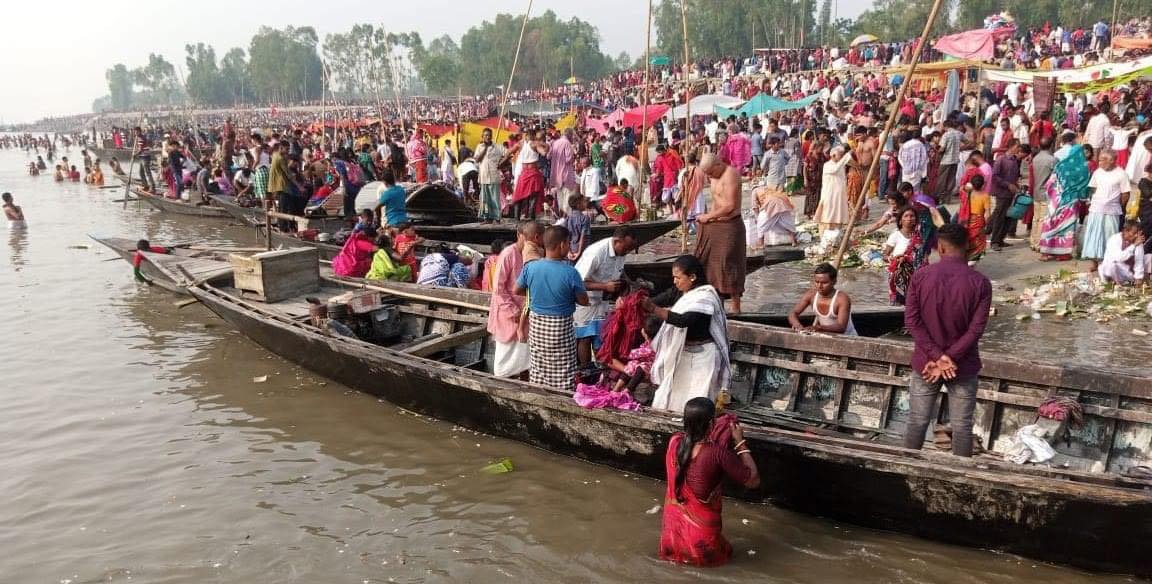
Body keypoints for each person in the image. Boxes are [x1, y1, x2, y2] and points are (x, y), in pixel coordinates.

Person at [903, 223, 992, 457]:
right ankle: (961, 474)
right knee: (962, 426)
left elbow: (912, 322)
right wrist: (948, 357)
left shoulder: (921, 276)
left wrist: (938, 357)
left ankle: (906, 465)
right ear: (968, 247)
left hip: (927, 364)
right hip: (961, 365)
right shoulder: (980, 282)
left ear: (940, 249)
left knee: (917, 421)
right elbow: (976, 330)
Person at [659, 397, 759, 567]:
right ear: (711, 423)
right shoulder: (717, 454)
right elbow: (753, 480)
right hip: (702, 548)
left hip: (671, 540)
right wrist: (740, 443)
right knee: (728, 556)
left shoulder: (674, 442)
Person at [645, 255, 730, 412]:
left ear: (692, 277)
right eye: (674, 278)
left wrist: (653, 309)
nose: (675, 281)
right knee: (675, 393)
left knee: (700, 394)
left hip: (704, 355)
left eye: (678, 277)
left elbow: (684, 320)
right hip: (683, 352)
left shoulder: (706, 296)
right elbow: (658, 299)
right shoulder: (680, 292)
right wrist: (638, 300)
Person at [514, 226, 589, 392]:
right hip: (560, 327)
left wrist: (535, 291)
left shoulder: (530, 268)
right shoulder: (571, 272)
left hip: (538, 326)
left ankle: (539, 393)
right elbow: (584, 301)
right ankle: (563, 397)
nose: (570, 246)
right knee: (564, 368)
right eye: (569, 243)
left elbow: (517, 290)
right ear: (562, 245)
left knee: (539, 366)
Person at [573, 226, 638, 365]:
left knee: (601, 335)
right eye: (625, 248)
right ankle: (586, 370)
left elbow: (619, 271)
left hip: (603, 300)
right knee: (585, 336)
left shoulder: (621, 253)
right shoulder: (596, 253)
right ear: (616, 241)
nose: (626, 252)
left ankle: (601, 369)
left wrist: (627, 287)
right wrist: (604, 286)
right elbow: (577, 282)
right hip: (585, 299)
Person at [695, 154, 746, 314]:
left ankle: (736, 307)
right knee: (710, 265)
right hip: (716, 223)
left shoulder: (731, 174)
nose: (709, 176)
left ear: (718, 164)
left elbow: (730, 205)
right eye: (707, 174)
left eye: (711, 173)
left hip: (730, 225)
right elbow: (716, 201)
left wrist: (707, 217)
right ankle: (717, 305)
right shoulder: (713, 176)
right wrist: (708, 219)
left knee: (729, 264)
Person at [487, 222, 534, 378]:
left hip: (526, 313)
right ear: (519, 236)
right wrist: (513, 310)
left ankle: (525, 381)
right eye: (528, 240)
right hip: (508, 313)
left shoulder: (534, 254)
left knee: (526, 355)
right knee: (506, 358)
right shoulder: (508, 254)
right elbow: (498, 289)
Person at [1082, 150, 1131, 274]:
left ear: (1112, 160)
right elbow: (1093, 188)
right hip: (1096, 209)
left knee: (1110, 236)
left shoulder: (1121, 174)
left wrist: (1118, 205)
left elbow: (1125, 194)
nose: (1100, 162)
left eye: (1103, 160)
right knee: (1094, 236)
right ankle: (1094, 262)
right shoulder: (1098, 172)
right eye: (1099, 160)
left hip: (1112, 211)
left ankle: (1107, 263)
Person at [786, 262, 857, 335]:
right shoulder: (811, 295)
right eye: (817, 282)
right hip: (825, 336)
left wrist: (818, 328)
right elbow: (793, 313)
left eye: (824, 283)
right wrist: (797, 325)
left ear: (834, 282)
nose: (819, 286)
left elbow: (841, 327)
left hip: (847, 338)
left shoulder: (842, 299)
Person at [884, 207, 926, 305]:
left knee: (915, 302)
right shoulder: (895, 235)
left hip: (916, 274)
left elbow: (922, 255)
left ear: (916, 219)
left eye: (912, 216)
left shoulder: (919, 235)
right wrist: (894, 259)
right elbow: (885, 256)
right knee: (898, 302)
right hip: (899, 275)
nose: (909, 218)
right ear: (901, 220)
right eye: (906, 216)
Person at [989, 140, 1021, 251]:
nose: (1019, 149)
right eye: (1017, 146)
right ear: (1011, 147)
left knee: (1008, 217)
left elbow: (1014, 177)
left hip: (1010, 193)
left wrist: (1016, 186)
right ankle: (994, 241)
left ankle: (1000, 239)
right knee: (999, 217)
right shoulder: (1001, 160)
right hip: (1002, 193)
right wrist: (1008, 185)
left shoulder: (1014, 160)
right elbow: (995, 177)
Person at [814, 145, 853, 233]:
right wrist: (847, 156)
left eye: (843, 155)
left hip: (839, 195)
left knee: (838, 216)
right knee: (827, 216)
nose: (842, 157)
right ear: (833, 155)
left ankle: (836, 234)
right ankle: (826, 235)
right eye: (840, 155)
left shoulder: (841, 165)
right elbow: (835, 169)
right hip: (829, 195)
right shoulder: (827, 165)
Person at [750, 183, 796, 248]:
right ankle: (793, 241)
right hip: (782, 201)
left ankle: (761, 243)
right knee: (787, 223)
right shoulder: (768, 187)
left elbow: (754, 207)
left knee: (760, 225)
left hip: (771, 203)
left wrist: (757, 217)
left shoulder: (754, 191)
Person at [474, 128, 506, 222]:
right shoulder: (479, 147)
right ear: (482, 137)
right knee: (485, 199)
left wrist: (502, 163)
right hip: (483, 176)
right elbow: (477, 159)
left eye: (489, 135)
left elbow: (507, 153)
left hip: (494, 176)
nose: (488, 137)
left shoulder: (498, 147)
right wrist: (485, 149)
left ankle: (497, 217)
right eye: (486, 135)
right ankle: (487, 217)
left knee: (494, 198)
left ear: (491, 136)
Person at [958, 175, 990, 263]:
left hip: (965, 220)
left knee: (966, 240)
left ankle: (964, 260)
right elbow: (987, 214)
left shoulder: (966, 193)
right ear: (983, 185)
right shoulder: (985, 196)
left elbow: (961, 188)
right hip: (978, 221)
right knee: (977, 243)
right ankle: (971, 262)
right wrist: (986, 223)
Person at [564, 195, 591, 260]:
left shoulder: (567, 218)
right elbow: (583, 237)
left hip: (571, 248)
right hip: (582, 249)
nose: (586, 204)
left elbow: (566, 236)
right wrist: (579, 252)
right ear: (578, 205)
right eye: (584, 202)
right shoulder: (585, 218)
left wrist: (569, 251)